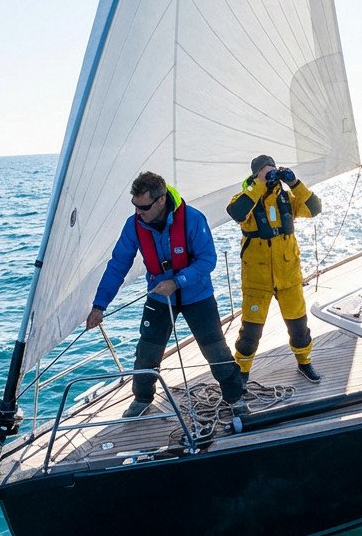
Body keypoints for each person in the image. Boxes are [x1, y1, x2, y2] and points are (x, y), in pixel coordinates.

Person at [87, 171, 246, 422]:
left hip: (197, 295)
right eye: (135, 206)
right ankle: (142, 399)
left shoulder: (193, 219)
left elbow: (208, 260)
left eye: (144, 207)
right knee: (146, 353)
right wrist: (99, 305)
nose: (138, 212)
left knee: (216, 350)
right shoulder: (133, 225)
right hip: (160, 298)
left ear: (161, 200)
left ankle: (235, 398)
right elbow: (118, 265)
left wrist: (177, 282)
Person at [226, 155, 323, 383]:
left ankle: (304, 362)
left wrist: (294, 183)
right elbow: (236, 212)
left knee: (299, 327)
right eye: (265, 171)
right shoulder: (246, 197)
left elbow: (315, 208)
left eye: (273, 171)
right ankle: (242, 371)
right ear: (255, 175)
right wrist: (259, 183)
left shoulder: (287, 199)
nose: (271, 176)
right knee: (250, 332)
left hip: (288, 275)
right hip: (257, 280)